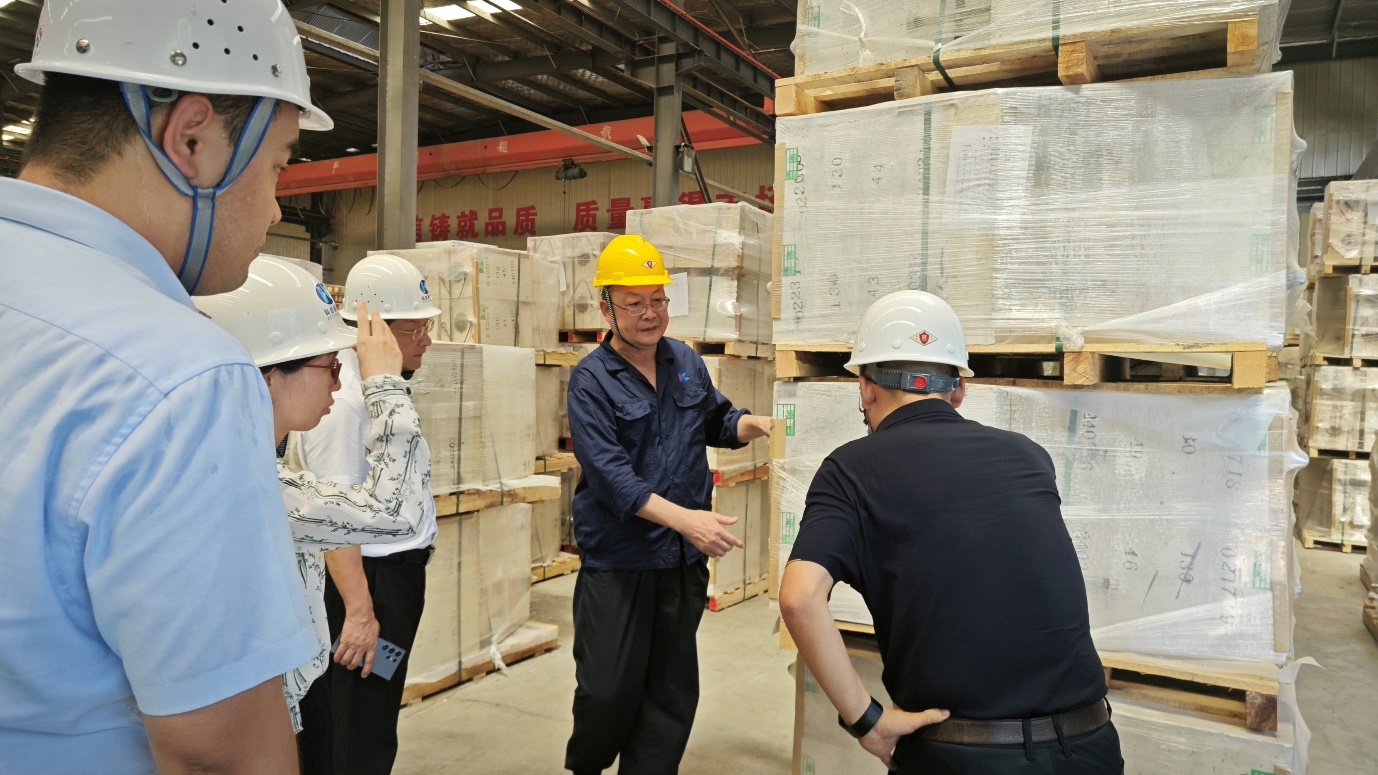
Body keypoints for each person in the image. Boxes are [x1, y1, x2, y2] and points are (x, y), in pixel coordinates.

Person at [0, 1, 334, 771]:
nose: (279, 202)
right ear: (192, 138)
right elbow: (222, 754)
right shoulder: (180, 376)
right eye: (280, 161)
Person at [779, 290, 1123, 774]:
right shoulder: (1029, 455)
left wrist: (869, 721)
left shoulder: (850, 469)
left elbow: (798, 598)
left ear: (865, 387)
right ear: (959, 389)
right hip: (1092, 745)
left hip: (963, 754)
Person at [195, 256, 434, 738]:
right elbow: (391, 512)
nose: (339, 377)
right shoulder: (252, 492)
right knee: (357, 726)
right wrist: (384, 385)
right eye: (327, 365)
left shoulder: (248, 470)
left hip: (273, 702)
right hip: (368, 587)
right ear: (265, 376)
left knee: (369, 714)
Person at [563, 235, 774, 774]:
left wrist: (758, 425)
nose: (650, 314)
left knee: (671, 693)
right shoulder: (590, 380)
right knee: (607, 689)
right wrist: (689, 523)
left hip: (680, 564)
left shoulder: (684, 360)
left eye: (658, 300)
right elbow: (612, 479)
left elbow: (717, 420)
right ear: (605, 307)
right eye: (634, 303)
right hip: (620, 561)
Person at [292, 254, 442, 775]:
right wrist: (359, 614)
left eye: (427, 324)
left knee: (376, 706)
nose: (426, 338)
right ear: (371, 326)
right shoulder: (343, 401)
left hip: (393, 581)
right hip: (366, 586)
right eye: (413, 327)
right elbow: (332, 518)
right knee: (356, 719)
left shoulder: (382, 385)